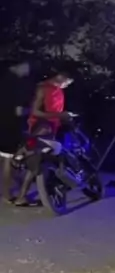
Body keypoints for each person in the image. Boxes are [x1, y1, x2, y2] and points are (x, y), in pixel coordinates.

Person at [14, 70, 73, 207]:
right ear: (61, 77)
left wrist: (62, 117)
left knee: (42, 163)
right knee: (35, 165)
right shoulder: (43, 88)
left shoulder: (58, 90)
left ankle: (38, 193)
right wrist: (59, 116)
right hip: (40, 128)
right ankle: (21, 197)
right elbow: (35, 111)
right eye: (67, 82)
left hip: (52, 128)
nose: (67, 86)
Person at [0, 61, 33, 203]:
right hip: (9, 126)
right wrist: (31, 110)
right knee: (8, 160)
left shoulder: (3, 80)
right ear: (18, 66)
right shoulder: (15, 84)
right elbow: (19, 111)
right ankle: (7, 194)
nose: (28, 70)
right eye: (27, 66)